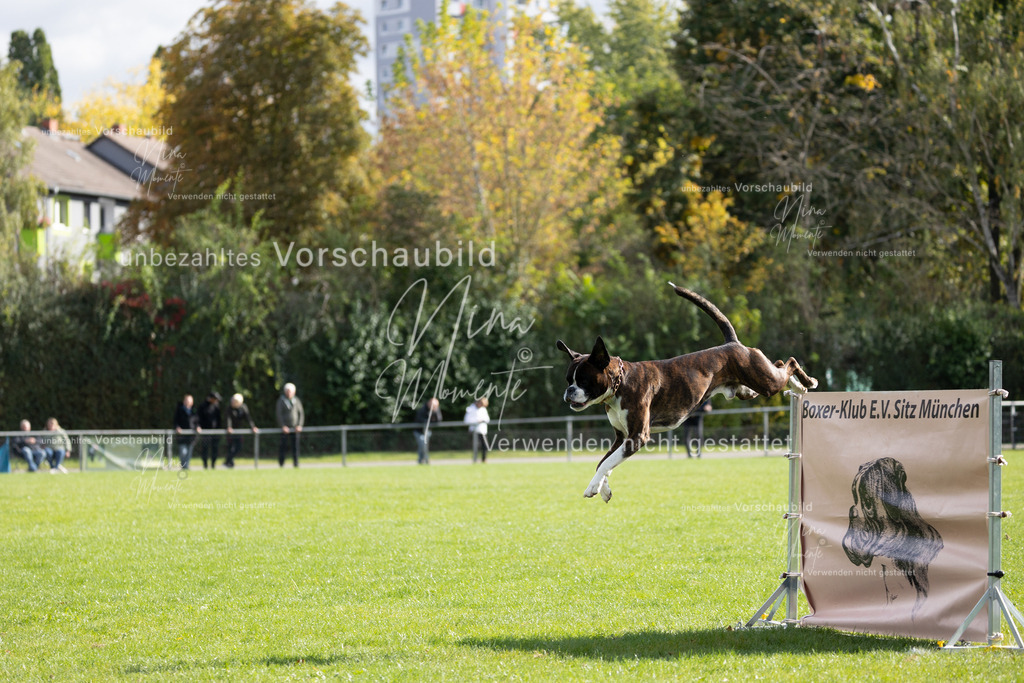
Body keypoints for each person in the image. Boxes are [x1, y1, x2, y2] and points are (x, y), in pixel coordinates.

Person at [225, 393, 258, 468]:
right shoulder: (229, 408)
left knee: (238, 446)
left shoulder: (243, 407)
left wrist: (253, 427)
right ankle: (229, 462)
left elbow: (248, 418)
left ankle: (228, 460)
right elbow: (228, 419)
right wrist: (229, 427)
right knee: (230, 447)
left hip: (239, 431)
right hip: (230, 432)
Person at [276, 383, 304, 467]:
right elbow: (279, 414)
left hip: (295, 428)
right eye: (287, 391)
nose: (289, 393)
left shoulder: (296, 400)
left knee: (295, 447)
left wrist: (299, 425)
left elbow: (301, 413)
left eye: (290, 391)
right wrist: (283, 426)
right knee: (283, 446)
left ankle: (296, 463)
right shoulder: (281, 400)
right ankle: (281, 463)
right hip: (285, 429)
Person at [173, 394, 201, 470]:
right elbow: (175, 421)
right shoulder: (179, 410)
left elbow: (197, 421)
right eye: (186, 401)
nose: (188, 402)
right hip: (181, 436)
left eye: (189, 401)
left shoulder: (194, 411)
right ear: (184, 401)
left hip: (191, 436)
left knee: (189, 453)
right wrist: (177, 427)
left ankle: (186, 466)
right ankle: (183, 466)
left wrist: (198, 427)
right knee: (183, 452)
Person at [197, 392, 223, 469]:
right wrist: (198, 426)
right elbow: (198, 418)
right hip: (205, 432)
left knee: (215, 448)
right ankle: (205, 464)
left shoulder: (216, 406)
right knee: (205, 448)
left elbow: (219, 419)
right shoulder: (202, 406)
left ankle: (213, 464)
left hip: (215, 432)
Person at [413, 397, 442, 465]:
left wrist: (435, 411)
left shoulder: (435, 409)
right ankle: (424, 459)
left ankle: (422, 460)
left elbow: (439, 419)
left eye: (435, 406)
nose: (434, 407)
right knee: (422, 445)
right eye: (433, 406)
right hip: (418, 431)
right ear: (429, 404)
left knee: (424, 445)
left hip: (427, 431)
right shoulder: (422, 409)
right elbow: (420, 420)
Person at [464, 397, 491, 463]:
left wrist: (482, 420)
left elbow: (487, 419)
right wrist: (476, 421)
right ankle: (474, 459)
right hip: (474, 431)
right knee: (475, 446)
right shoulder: (470, 409)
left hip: (482, 431)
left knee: (485, 446)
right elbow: (466, 420)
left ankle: (484, 459)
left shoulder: (483, 409)